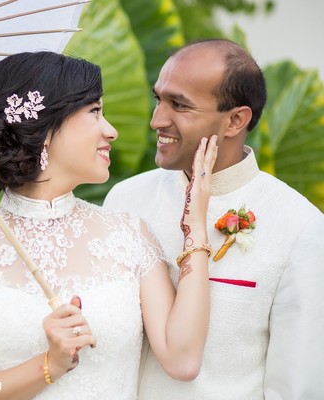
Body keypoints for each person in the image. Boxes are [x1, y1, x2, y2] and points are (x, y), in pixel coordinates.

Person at [0, 51, 217, 400]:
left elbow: (182, 360)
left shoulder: (130, 236)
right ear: (45, 128)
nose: (111, 131)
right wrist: (48, 365)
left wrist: (195, 223)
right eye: (95, 112)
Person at [104, 38, 324, 399]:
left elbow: (295, 386)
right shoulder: (126, 200)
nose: (156, 119)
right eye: (158, 98)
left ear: (235, 120)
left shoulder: (300, 227)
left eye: (179, 105)